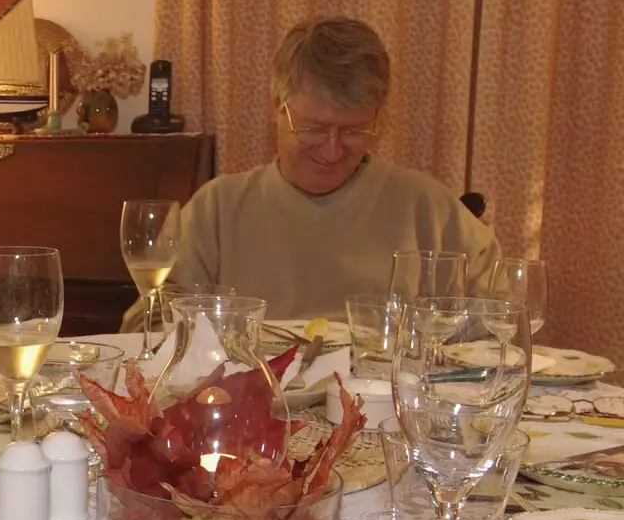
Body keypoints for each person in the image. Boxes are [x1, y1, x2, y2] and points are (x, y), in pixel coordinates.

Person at [123, 16, 499, 326]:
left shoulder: (426, 207)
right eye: (314, 128)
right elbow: (144, 325)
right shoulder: (218, 208)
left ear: (378, 119)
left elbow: (503, 319)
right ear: (276, 108)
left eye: (353, 131)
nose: (332, 151)